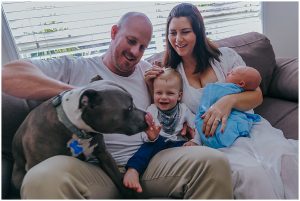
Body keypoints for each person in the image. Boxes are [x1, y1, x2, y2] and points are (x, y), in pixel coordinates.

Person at [2, 12, 233, 199]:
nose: (135, 52)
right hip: (97, 171)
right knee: (42, 178)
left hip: (149, 163)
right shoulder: (75, 67)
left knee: (213, 162)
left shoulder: (148, 73)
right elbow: (8, 75)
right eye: (131, 41)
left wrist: (182, 125)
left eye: (142, 46)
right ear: (114, 32)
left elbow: (177, 104)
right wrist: (78, 92)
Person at [144, 3, 298, 199]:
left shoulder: (225, 57)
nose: (178, 39)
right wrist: (151, 86)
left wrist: (227, 102)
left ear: (198, 32)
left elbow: (257, 95)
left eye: (185, 32)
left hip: (250, 128)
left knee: (286, 159)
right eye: (172, 33)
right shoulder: (172, 74)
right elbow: (162, 109)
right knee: (251, 175)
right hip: (217, 141)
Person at [123, 68, 200, 193]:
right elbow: (145, 134)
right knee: (146, 148)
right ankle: (133, 170)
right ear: (153, 93)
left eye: (170, 93)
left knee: (194, 150)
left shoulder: (184, 109)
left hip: (177, 143)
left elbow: (196, 128)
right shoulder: (152, 109)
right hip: (158, 142)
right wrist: (151, 136)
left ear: (179, 96)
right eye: (159, 93)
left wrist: (195, 142)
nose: (163, 97)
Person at [195, 66, 262, 148]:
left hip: (237, 121)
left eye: (232, 73)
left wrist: (229, 100)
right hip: (238, 126)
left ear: (241, 84)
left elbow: (258, 95)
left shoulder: (226, 87)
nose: (227, 73)